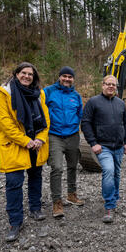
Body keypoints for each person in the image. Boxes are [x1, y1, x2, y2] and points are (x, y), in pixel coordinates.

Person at [0, 62, 50, 242]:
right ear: (16, 74)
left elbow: (46, 119)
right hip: (15, 145)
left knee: (35, 177)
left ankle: (35, 208)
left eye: (30, 74)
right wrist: (26, 141)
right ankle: (15, 222)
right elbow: (5, 124)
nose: (27, 76)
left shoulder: (38, 94)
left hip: (36, 144)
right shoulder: (4, 94)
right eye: (23, 73)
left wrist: (40, 138)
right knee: (14, 183)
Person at [81, 75, 126, 224]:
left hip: (119, 146)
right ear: (102, 85)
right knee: (108, 170)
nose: (111, 87)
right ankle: (109, 206)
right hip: (103, 147)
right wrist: (93, 143)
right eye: (108, 84)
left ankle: (114, 198)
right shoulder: (93, 102)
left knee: (116, 173)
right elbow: (86, 123)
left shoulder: (121, 103)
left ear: (116, 87)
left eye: (113, 85)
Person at [44, 66, 84, 218]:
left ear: (73, 79)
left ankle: (71, 194)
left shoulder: (76, 96)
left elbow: (80, 114)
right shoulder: (48, 92)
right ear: (59, 77)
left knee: (73, 166)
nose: (67, 79)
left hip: (73, 135)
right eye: (64, 76)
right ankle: (57, 202)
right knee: (57, 167)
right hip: (54, 135)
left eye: (70, 77)